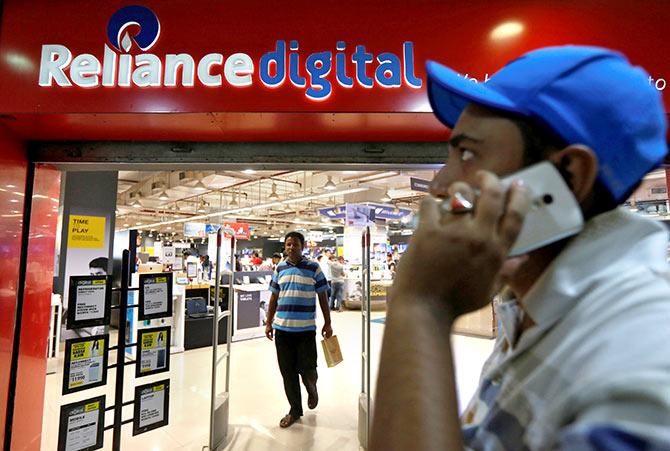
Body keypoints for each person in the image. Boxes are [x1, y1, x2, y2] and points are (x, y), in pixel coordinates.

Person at [371, 46, 670, 450]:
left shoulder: (642, 353)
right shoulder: (535, 311)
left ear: (569, 174)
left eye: (468, 153)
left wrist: (422, 306)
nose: (441, 183)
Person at [265, 232, 333, 428]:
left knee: (308, 368)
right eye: (288, 244)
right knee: (288, 373)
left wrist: (327, 323)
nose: (291, 247)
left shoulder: (314, 267)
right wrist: (269, 323)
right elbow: (273, 298)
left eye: (295, 244)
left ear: (302, 246)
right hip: (283, 330)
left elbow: (322, 297)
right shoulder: (280, 268)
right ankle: (295, 410)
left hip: (305, 330)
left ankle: (311, 387)